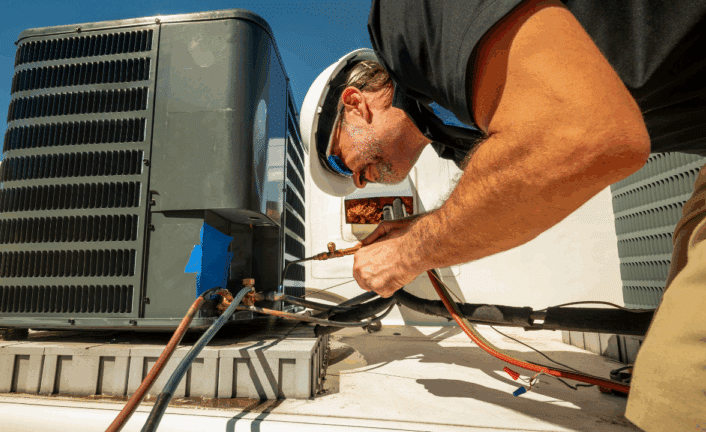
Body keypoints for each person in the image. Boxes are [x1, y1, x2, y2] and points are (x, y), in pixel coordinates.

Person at [298, 0, 706, 430]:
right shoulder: (461, 137)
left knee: (676, 393)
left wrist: (406, 255)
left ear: (355, 103)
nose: (358, 184)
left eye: (343, 163)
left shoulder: (411, 17)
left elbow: (584, 136)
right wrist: (420, 231)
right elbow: (543, 174)